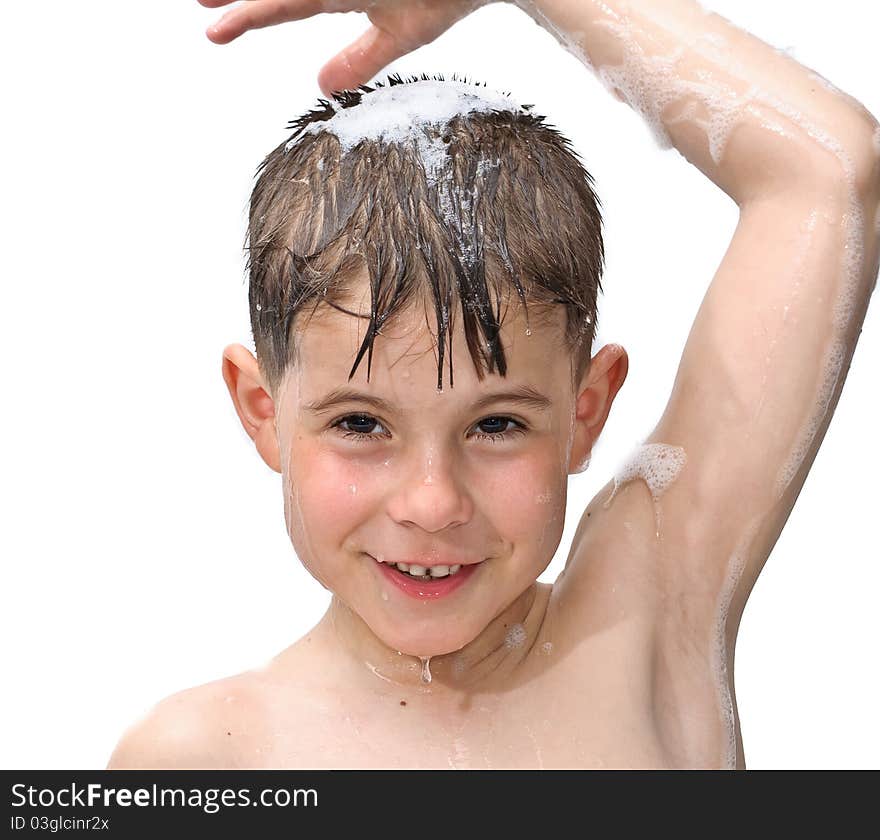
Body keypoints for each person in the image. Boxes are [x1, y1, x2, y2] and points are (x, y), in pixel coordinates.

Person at [107, 0, 879, 769]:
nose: (433, 503)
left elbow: (831, 170)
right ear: (262, 411)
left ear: (587, 411)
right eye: (360, 425)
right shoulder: (208, 759)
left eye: (497, 425)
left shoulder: (645, 627)